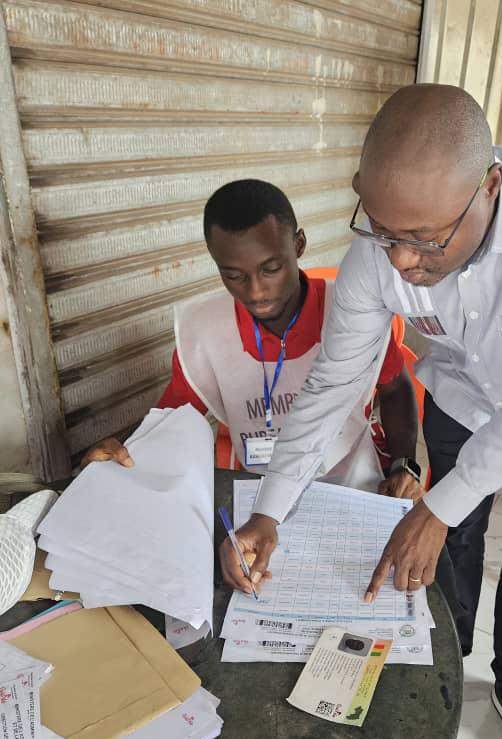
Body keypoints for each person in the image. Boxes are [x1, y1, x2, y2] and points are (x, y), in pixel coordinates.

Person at [218, 85, 502, 739]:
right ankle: (444, 660)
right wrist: (270, 510)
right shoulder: (377, 254)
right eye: (385, 233)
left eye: (426, 240)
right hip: (460, 403)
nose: (403, 262)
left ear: (490, 187)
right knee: (452, 547)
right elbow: (334, 385)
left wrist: (437, 508)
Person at [81, 179, 423, 595]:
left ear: (298, 245)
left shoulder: (350, 311)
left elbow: (396, 388)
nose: (256, 292)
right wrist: (125, 453)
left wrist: (403, 464)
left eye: (271, 269)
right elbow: (174, 418)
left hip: (351, 481)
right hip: (257, 493)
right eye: (234, 275)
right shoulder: (206, 330)